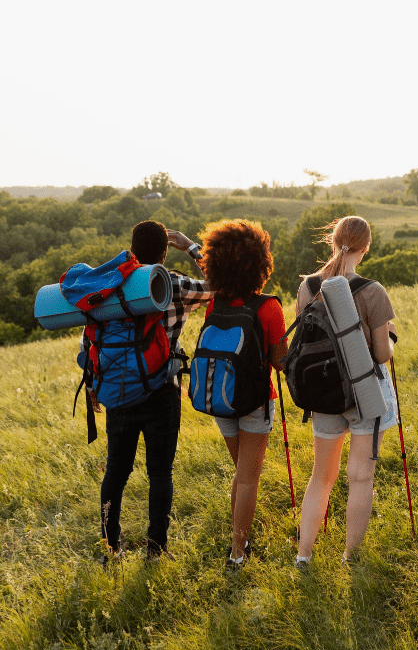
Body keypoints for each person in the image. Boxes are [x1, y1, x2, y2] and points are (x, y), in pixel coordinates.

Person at [90, 219, 213, 562]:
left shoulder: (112, 286)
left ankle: (108, 548)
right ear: (163, 251)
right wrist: (190, 246)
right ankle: (156, 550)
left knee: (115, 471)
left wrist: (93, 386)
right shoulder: (172, 284)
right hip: (161, 390)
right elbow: (220, 284)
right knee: (160, 472)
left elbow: (92, 339)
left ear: (132, 248)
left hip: (118, 392)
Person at [294, 216, 398, 567]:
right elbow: (382, 355)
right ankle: (350, 559)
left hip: (322, 391)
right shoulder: (373, 290)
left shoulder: (307, 287)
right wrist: (391, 337)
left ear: (332, 241)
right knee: (361, 476)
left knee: (320, 477)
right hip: (365, 394)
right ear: (366, 248)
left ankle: (303, 556)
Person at [198, 219, 287, 568]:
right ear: (259, 264)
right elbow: (280, 363)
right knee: (248, 477)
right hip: (255, 402)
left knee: (241, 472)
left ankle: (239, 536)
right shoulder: (269, 308)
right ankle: (238, 553)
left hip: (219, 398)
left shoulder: (214, 304)